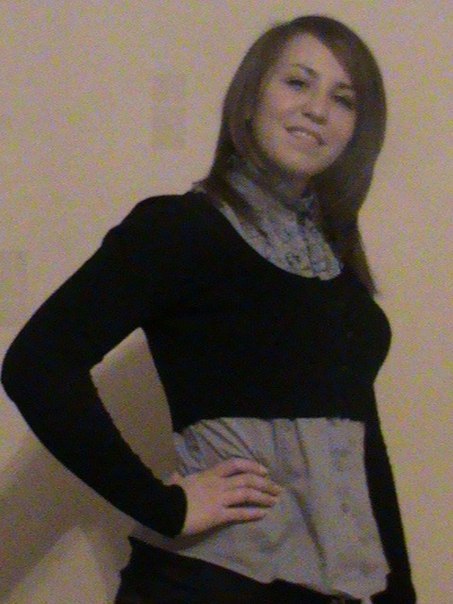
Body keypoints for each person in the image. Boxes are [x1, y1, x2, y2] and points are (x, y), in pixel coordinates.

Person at [1, 14, 416, 604]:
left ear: (356, 130)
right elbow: (38, 365)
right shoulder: (181, 229)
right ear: (249, 100)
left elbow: (364, 449)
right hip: (210, 584)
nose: (317, 109)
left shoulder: (338, 275)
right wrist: (164, 506)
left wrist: (400, 594)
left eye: (343, 99)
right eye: (297, 82)